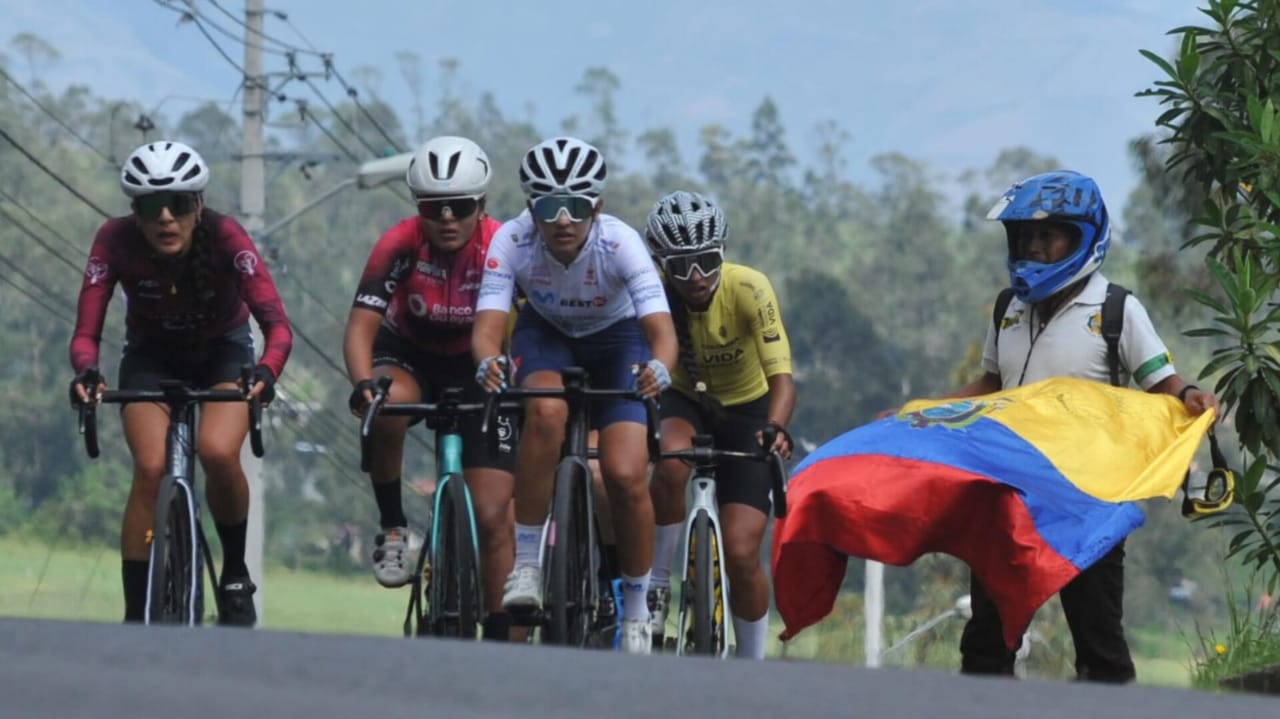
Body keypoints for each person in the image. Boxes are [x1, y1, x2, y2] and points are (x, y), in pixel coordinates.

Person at [945, 170, 1219, 682]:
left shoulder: (1117, 309)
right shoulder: (1009, 307)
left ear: (1084, 237)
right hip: (1009, 492)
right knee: (987, 641)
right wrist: (923, 412)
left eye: (1048, 236)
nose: (1034, 246)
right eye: (1026, 236)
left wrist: (1190, 397)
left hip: (1089, 498)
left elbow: (1162, 380)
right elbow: (989, 384)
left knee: (1099, 645)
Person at [69, 140, 292, 627]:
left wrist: (267, 371)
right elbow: (86, 333)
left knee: (216, 450)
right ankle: (135, 615)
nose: (165, 217)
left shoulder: (228, 236)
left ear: (199, 206)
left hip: (223, 353)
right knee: (149, 469)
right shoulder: (113, 240)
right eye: (151, 206)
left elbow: (277, 326)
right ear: (135, 212)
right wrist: (87, 371)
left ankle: (234, 572)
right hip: (151, 356)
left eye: (179, 204)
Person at [471, 136, 678, 654]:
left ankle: (634, 607)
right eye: (548, 206)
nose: (563, 219)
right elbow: (488, 327)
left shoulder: (621, 243)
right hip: (548, 336)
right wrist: (487, 362)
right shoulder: (512, 242)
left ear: (598, 207)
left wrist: (659, 368)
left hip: (618, 338)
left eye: (577, 206)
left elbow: (663, 333)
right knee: (544, 413)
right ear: (529, 208)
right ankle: (526, 565)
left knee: (627, 473)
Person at [344, 135, 518, 641]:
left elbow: (526, 325)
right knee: (388, 401)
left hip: (478, 361)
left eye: (459, 207)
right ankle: (394, 526)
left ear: (481, 206)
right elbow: (360, 328)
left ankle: (502, 629)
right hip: (409, 353)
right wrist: (362, 385)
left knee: (491, 515)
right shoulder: (399, 242)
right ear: (417, 207)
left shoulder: (502, 245)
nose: (446, 218)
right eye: (432, 207)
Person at [641, 191, 795, 658]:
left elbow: (783, 380)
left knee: (742, 552)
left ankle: (752, 660)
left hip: (749, 411)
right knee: (669, 465)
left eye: (706, 261)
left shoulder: (749, 288)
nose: (695, 277)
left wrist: (776, 428)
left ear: (722, 252)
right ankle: (657, 585)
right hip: (684, 399)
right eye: (680, 265)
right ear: (660, 263)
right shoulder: (653, 293)